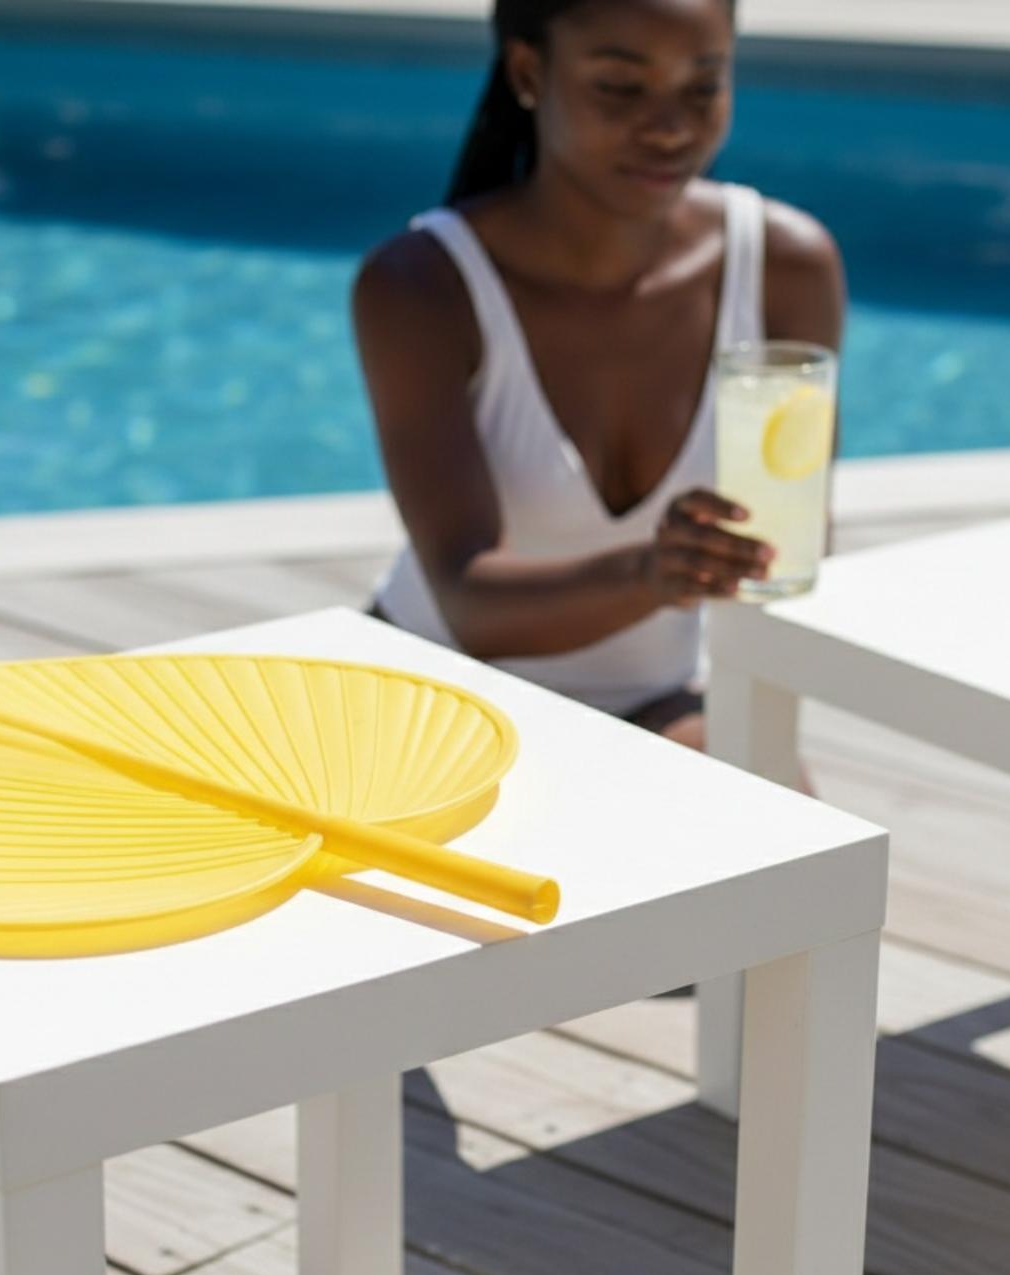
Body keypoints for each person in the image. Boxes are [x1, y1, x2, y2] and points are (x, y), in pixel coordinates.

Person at [354, 0, 844, 747]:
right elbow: (468, 603)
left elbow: (798, 539)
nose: (670, 128)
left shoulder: (786, 266)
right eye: (619, 88)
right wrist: (653, 573)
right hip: (430, 693)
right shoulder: (422, 286)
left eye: (703, 87)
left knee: (782, 804)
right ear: (529, 73)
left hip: (652, 704)